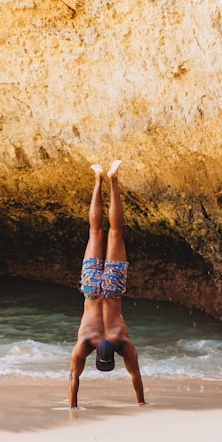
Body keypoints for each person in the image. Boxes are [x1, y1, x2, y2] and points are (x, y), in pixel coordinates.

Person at [68, 160, 146, 409]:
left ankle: (110, 178)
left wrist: (142, 401)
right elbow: (72, 378)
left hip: (112, 289)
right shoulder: (87, 343)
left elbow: (136, 377)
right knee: (94, 232)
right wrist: (72, 406)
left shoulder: (121, 341)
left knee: (114, 232)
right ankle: (99, 178)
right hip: (91, 287)